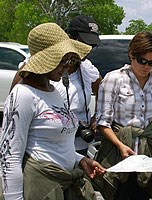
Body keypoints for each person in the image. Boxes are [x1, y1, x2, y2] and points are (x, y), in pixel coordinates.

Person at [0, 22, 106, 200]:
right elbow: (9, 157)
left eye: (70, 61)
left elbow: (56, 146)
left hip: (63, 182)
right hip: (40, 187)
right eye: (63, 60)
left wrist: (79, 160)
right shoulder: (23, 94)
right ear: (46, 59)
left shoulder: (53, 91)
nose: (67, 67)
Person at [93, 31, 152, 200]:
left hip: (146, 153)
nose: (146, 66)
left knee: (144, 192)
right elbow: (103, 121)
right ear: (131, 55)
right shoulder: (114, 79)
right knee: (119, 192)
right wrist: (120, 144)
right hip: (118, 151)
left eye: (151, 63)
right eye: (142, 61)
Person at [10, 15, 103, 156]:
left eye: (93, 46)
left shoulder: (88, 69)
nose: (88, 49)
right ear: (69, 37)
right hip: (45, 148)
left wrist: (96, 117)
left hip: (78, 145)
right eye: (85, 43)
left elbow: (103, 92)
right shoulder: (35, 69)